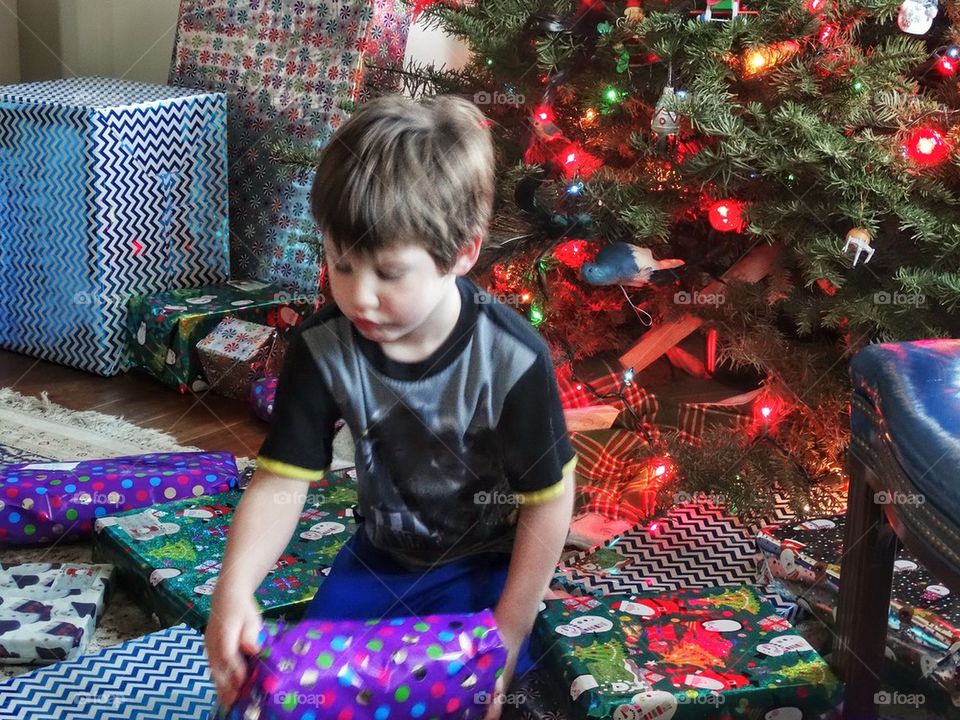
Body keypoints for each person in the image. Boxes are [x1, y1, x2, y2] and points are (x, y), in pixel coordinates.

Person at [205, 94, 576, 719]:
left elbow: (550, 500)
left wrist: (506, 637)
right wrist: (233, 590)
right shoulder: (323, 348)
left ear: (463, 253)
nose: (360, 297)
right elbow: (278, 484)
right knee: (283, 691)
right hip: (380, 562)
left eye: (389, 272)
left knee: (519, 699)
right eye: (341, 265)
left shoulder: (514, 358)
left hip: (489, 568)